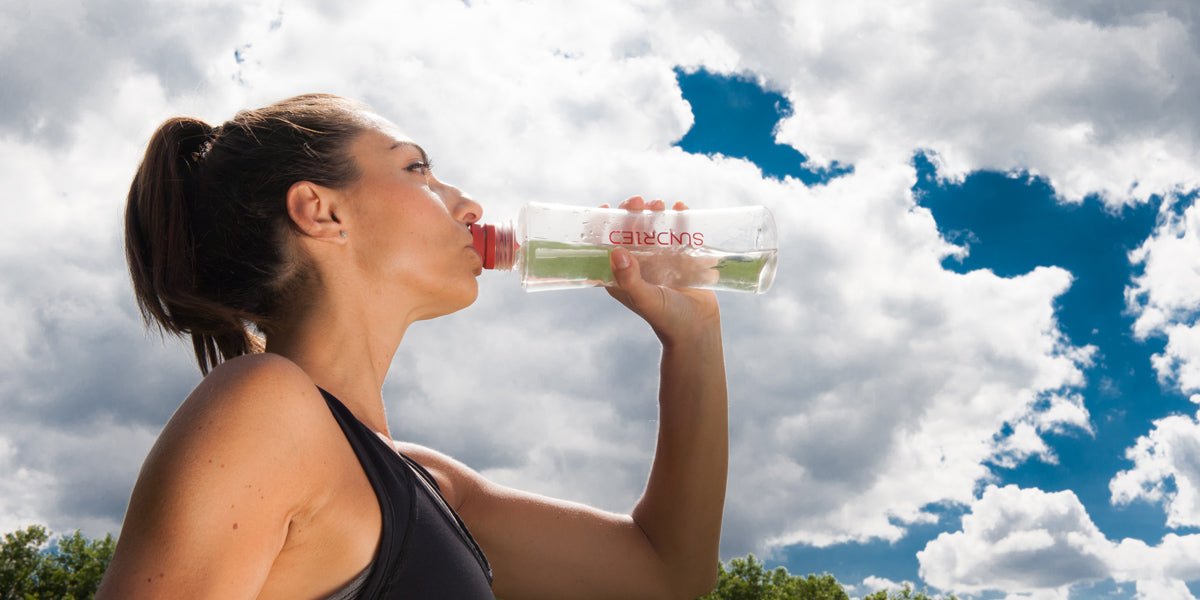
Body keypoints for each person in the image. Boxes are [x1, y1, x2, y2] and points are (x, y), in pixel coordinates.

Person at [97, 93, 728, 599]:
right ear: (321, 211)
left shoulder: (429, 483)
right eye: (417, 169)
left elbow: (669, 573)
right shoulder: (263, 405)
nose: (470, 205)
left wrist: (693, 333)